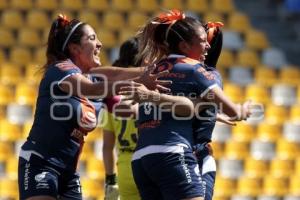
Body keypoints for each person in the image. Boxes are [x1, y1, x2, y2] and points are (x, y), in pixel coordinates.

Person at [17, 14, 171, 200]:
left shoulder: (94, 78)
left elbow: (121, 91)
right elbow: (92, 88)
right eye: (92, 38)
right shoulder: (60, 69)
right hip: (40, 163)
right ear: (74, 48)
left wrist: (166, 73)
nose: (100, 44)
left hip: (69, 171)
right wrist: (140, 80)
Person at [119, 9, 251, 200]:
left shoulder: (152, 69)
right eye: (202, 41)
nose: (207, 46)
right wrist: (243, 109)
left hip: (141, 159)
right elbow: (232, 110)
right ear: (184, 45)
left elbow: (125, 104)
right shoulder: (195, 69)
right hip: (174, 152)